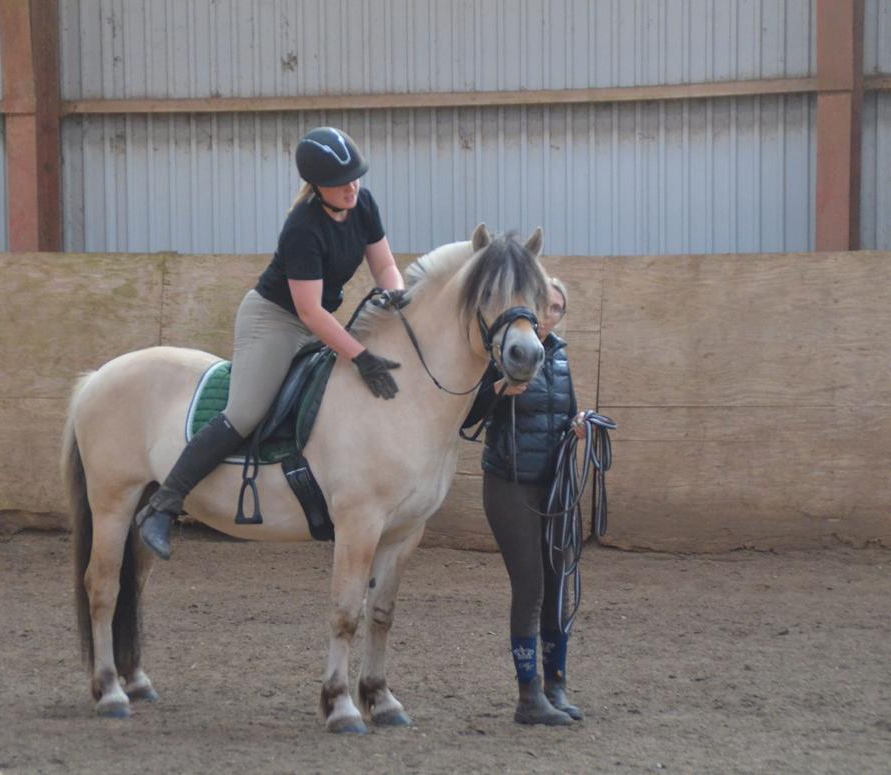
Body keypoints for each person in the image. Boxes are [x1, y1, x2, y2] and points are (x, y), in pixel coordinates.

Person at [136, 127, 406, 561]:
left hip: (318, 314)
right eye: (341, 182)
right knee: (247, 411)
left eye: (355, 177)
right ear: (318, 186)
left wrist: (394, 294)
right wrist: (359, 355)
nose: (352, 187)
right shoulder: (302, 227)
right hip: (277, 319)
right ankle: (164, 504)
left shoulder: (363, 204)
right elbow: (309, 313)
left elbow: (386, 264)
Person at [463, 277, 588, 725]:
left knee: (558, 587)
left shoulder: (559, 357)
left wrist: (578, 425)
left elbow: (565, 408)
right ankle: (528, 696)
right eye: (544, 306)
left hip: (554, 485)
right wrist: (499, 390)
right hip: (510, 485)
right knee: (532, 586)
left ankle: (556, 684)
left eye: (558, 307)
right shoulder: (506, 353)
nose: (550, 314)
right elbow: (467, 415)